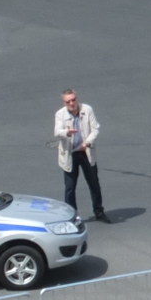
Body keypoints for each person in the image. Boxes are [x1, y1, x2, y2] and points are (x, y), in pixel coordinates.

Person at [53, 89, 109, 221]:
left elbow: (95, 128)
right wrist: (67, 132)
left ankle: (99, 211)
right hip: (70, 154)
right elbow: (57, 132)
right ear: (64, 102)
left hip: (85, 152)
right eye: (68, 101)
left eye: (73, 99)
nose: (72, 103)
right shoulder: (60, 114)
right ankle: (71, 216)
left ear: (77, 98)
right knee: (70, 188)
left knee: (94, 183)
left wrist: (88, 142)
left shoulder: (87, 110)